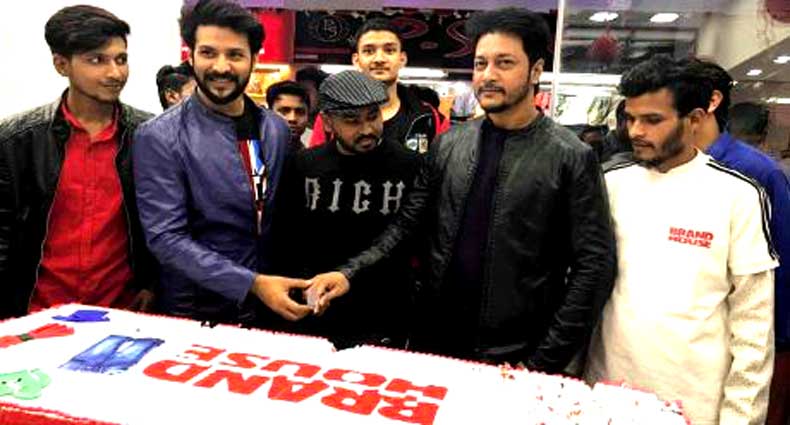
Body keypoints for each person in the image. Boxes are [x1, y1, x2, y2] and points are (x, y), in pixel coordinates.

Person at [307, 8, 616, 373]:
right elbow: (406, 227)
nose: (488, 75)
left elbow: (593, 267)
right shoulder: (450, 145)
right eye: (481, 63)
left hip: (515, 354)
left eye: (504, 63)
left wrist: (541, 363)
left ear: (536, 70)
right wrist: (349, 273)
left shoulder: (571, 156)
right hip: (434, 343)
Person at [585, 55, 778, 425]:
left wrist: (740, 418)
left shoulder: (737, 195)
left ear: (694, 119)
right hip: (606, 394)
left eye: (652, 120)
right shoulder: (610, 184)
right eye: (631, 118)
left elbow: (753, 325)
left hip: (695, 405)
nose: (636, 131)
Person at [133, 0, 311, 325]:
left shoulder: (274, 129)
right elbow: (165, 238)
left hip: (267, 305)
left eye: (235, 55)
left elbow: (275, 217)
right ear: (190, 56)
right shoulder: (159, 136)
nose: (221, 67)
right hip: (194, 310)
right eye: (208, 53)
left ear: (254, 59)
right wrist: (252, 283)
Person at [0, 5, 156, 319]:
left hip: (123, 315)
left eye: (121, 59)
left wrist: (152, 282)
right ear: (61, 64)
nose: (115, 73)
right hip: (37, 314)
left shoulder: (149, 135)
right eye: (97, 60)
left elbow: (164, 223)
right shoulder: (17, 140)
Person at [273, 70, 419, 348]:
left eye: (373, 116)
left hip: (384, 311)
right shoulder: (303, 165)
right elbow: (286, 239)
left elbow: (408, 239)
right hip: (316, 307)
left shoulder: (410, 166)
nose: (367, 129)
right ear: (327, 121)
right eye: (352, 120)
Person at [687, 60, 790, 425]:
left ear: (712, 101)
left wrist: (776, 345)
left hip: (751, 341)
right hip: (690, 345)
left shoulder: (758, 173)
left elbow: (781, 265)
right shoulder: (660, 169)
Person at [308, 18, 450, 153]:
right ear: (356, 60)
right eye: (369, 51)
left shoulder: (431, 117)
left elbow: (442, 167)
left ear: (402, 59)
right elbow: (315, 164)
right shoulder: (332, 116)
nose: (379, 59)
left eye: (389, 50)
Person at [265, 80, 311, 152]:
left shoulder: (314, 156)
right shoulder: (253, 154)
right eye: (284, 111)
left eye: (300, 112)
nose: (292, 118)